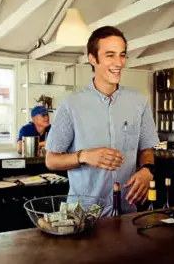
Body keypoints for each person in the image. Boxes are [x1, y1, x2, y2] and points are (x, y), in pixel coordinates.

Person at [45, 26, 159, 216]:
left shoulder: (139, 102)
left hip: (127, 211)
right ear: (92, 58)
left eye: (122, 55)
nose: (119, 63)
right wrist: (83, 156)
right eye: (110, 55)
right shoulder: (71, 104)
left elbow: (146, 150)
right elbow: (51, 160)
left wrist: (147, 170)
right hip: (82, 215)